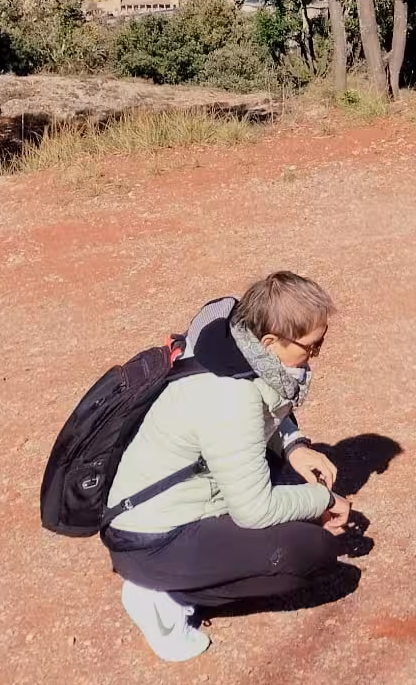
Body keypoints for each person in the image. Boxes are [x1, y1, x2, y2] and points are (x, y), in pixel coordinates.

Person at [103, 271, 355, 660]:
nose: (316, 355)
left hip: (176, 500)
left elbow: (266, 406)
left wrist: (294, 446)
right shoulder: (230, 397)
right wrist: (324, 500)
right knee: (310, 551)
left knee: (296, 487)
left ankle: (184, 573)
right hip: (152, 539)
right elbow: (255, 510)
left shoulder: (232, 348)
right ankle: (164, 595)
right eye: (312, 347)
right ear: (270, 342)